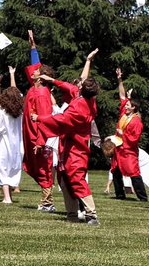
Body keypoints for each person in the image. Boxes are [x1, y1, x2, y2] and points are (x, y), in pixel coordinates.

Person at [35, 49, 101, 225]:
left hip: (75, 149)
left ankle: (91, 214)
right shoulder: (87, 100)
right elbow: (69, 87)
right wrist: (52, 81)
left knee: (76, 180)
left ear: (81, 90)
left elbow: (60, 121)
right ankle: (72, 214)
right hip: (69, 148)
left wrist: (39, 118)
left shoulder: (79, 108)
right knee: (65, 181)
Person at [22, 31, 58, 212]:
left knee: (44, 169)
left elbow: (45, 121)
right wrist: (33, 46)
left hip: (39, 138)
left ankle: (47, 202)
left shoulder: (43, 93)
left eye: (37, 71)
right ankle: (46, 201)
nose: (34, 70)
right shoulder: (34, 88)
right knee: (37, 168)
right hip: (31, 135)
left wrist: (40, 141)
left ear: (42, 77)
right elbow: (35, 63)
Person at [0, 67, 24, 205]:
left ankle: (7, 198)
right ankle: (9, 194)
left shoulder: (0, 110)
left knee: (2, 168)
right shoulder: (19, 112)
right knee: (11, 169)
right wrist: (12, 75)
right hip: (16, 143)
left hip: (3, 143)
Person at [110, 68, 146, 201]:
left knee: (134, 173)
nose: (125, 106)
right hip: (119, 149)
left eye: (128, 105)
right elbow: (122, 96)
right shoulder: (123, 115)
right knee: (115, 171)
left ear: (134, 108)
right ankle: (120, 195)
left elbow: (135, 139)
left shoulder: (136, 122)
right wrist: (119, 79)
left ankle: (143, 197)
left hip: (128, 150)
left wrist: (122, 134)